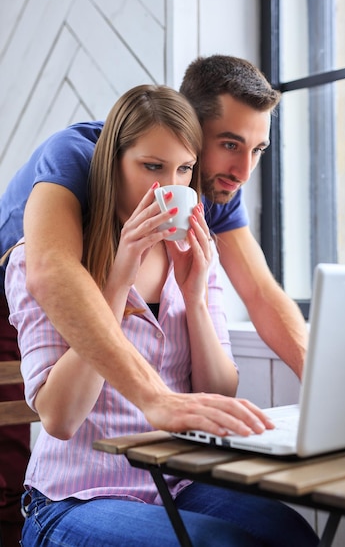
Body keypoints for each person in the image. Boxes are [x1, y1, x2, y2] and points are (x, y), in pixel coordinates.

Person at [0, 55, 307, 543]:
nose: (243, 171)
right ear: (191, 126)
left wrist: (330, 389)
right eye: (229, 144)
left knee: (288, 531)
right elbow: (48, 273)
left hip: (167, 478)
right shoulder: (72, 162)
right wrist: (120, 277)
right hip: (76, 483)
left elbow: (260, 295)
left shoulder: (200, 211)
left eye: (183, 168)